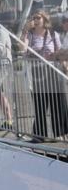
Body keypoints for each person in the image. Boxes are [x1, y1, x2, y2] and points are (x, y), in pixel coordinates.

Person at [20, 10, 67, 139]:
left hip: (53, 71)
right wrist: (24, 31)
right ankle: (39, 134)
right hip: (38, 72)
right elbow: (22, 49)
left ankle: (60, 134)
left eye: (38, 17)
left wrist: (64, 67)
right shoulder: (29, 35)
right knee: (40, 102)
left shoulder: (53, 34)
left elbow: (60, 52)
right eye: (33, 17)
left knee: (56, 102)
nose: (35, 19)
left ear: (44, 20)